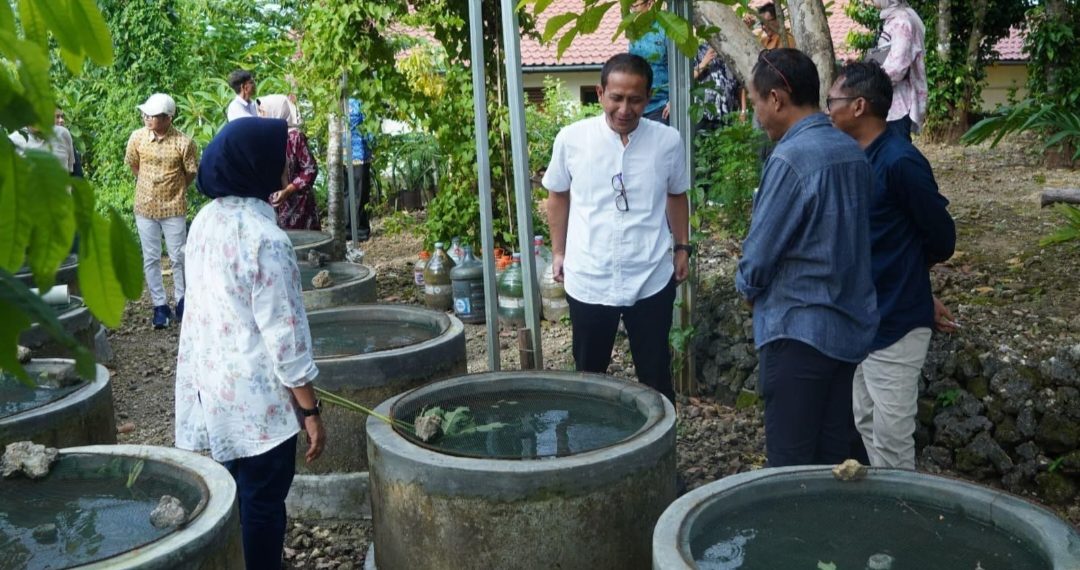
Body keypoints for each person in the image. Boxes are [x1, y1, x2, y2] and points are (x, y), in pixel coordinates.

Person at [176, 117, 326, 570]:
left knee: (233, 499)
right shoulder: (267, 241)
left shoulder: (204, 222)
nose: (286, 167)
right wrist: (311, 411)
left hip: (214, 391)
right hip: (260, 405)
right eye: (279, 159)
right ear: (254, 165)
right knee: (263, 503)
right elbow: (286, 339)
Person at [736, 48, 879, 467]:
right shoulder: (852, 151)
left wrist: (747, 288)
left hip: (797, 331)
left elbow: (759, 254)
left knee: (790, 465)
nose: (757, 115)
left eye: (756, 103)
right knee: (833, 460)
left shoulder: (791, 157)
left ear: (776, 98)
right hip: (846, 331)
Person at [827, 61, 956, 469]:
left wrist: (912, 280)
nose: (828, 109)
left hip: (897, 321)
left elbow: (942, 237)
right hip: (862, 319)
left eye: (833, 101)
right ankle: (881, 505)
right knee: (866, 422)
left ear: (859, 106)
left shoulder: (901, 161)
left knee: (892, 438)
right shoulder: (852, 157)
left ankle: (903, 508)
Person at [543, 53, 690, 404]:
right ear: (600, 94)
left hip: (651, 275)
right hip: (589, 276)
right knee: (588, 376)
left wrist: (682, 247)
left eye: (635, 100)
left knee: (656, 376)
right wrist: (559, 252)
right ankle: (589, 435)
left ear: (649, 97)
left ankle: (659, 436)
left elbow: (676, 194)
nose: (625, 109)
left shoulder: (667, 141)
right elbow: (557, 195)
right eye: (616, 98)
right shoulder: (572, 139)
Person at [124, 93, 198, 329]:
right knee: (151, 257)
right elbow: (133, 164)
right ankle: (159, 305)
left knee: (178, 256)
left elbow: (191, 172)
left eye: (152, 115)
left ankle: (182, 300)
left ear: (168, 118)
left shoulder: (183, 143)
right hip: (145, 206)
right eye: (145, 114)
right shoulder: (137, 138)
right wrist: (147, 183)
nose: (146, 118)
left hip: (174, 207)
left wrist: (175, 188)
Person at [259, 94, 321, 230]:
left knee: (300, 241)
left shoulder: (294, 136)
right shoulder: (264, 137)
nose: (260, 116)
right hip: (273, 205)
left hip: (298, 205)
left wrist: (288, 190)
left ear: (276, 112)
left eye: (263, 112)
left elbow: (310, 169)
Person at [870, 0, 927, 140]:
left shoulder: (902, 22)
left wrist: (868, 79)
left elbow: (897, 67)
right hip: (889, 103)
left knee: (895, 148)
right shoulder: (894, 19)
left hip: (898, 106)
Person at [628, 0, 670, 124]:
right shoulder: (633, 30)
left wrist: (674, 100)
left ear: (650, 3)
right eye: (631, 7)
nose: (633, 11)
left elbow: (678, 69)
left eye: (636, 6)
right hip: (636, 104)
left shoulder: (664, 28)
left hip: (661, 105)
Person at [344, 97, 373, 241]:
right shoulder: (361, 101)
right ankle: (356, 228)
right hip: (354, 152)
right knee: (357, 192)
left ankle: (353, 228)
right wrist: (372, 144)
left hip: (353, 152)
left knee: (352, 192)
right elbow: (370, 128)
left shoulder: (338, 100)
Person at [693, 45, 741, 130]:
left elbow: (740, 84)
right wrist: (704, 62)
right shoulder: (700, 50)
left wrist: (743, 110)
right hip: (705, 115)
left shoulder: (732, 52)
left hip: (727, 115)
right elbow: (689, 77)